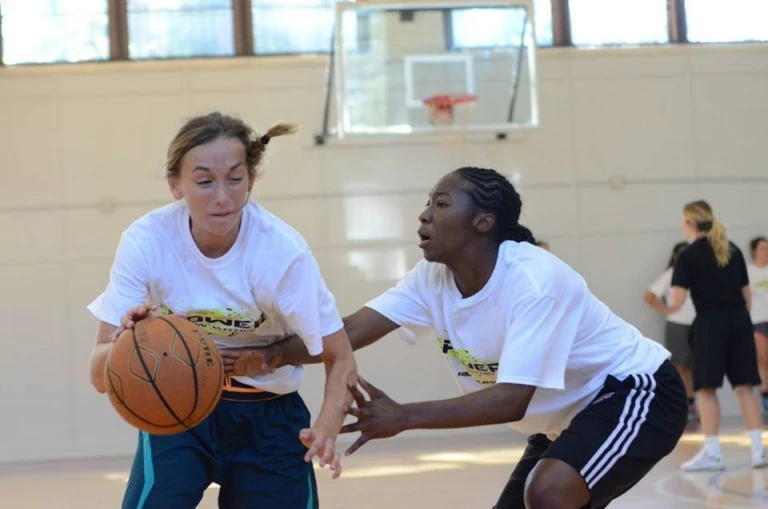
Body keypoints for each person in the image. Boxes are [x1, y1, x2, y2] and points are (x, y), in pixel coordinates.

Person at [227, 167, 688, 508]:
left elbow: (511, 400)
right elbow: (346, 333)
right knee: (547, 494)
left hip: (637, 394)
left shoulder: (535, 280)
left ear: (483, 222)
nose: (424, 216)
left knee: (549, 492)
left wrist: (403, 416)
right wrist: (264, 354)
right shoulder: (431, 278)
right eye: (428, 203)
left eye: (441, 205)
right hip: (564, 421)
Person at [87, 112, 357, 508]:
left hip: (269, 415)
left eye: (235, 178)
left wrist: (327, 427)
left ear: (251, 179)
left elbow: (341, 355)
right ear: (175, 185)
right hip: (176, 411)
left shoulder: (280, 252)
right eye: (204, 181)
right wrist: (128, 343)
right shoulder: (147, 241)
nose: (222, 196)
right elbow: (98, 375)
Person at [666, 201, 767, 471]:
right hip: (739, 321)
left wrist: (670, 307)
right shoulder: (731, 249)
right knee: (746, 388)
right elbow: (746, 297)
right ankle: (758, 451)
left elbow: (677, 299)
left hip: (710, 323)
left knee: (706, 389)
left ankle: (712, 452)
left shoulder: (687, 256)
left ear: (689, 223)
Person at [644, 241, 698, 423]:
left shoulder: (697, 272)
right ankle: (681, 403)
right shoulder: (671, 274)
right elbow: (649, 296)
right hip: (678, 324)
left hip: (699, 323)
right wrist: (666, 310)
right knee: (680, 364)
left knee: (694, 365)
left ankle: (692, 402)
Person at [748, 236, 768, 414]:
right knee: (762, 359)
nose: (766, 252)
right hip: (757, 321)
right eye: (762, 248)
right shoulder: (748, 272)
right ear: (754, 251)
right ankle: (765, 398)